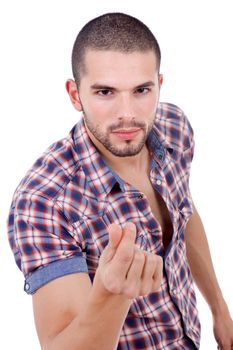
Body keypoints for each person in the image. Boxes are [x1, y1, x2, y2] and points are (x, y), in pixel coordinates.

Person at [7, 12, 233, 350]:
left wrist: (219, 309)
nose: (127, 113)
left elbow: (184, 214)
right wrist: (111, 295)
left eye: (141, 90)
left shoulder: (173, 128)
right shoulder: (44, 202)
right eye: (105, 92)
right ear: (74, 94)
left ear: (159, 85)